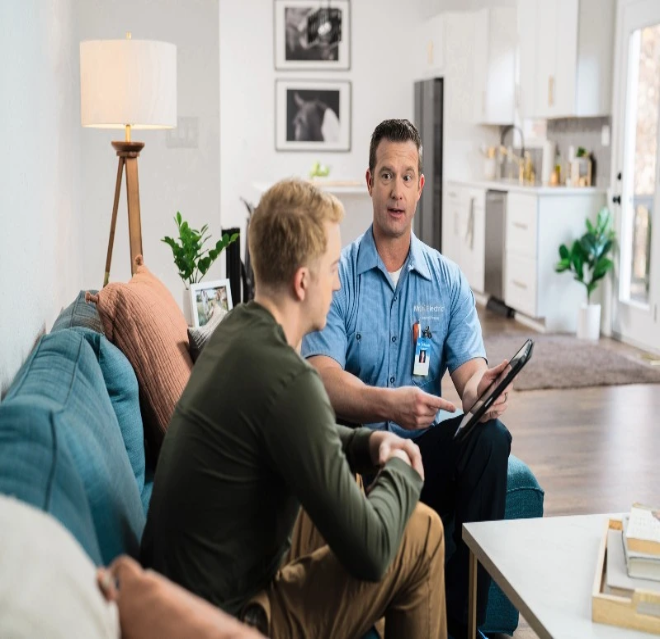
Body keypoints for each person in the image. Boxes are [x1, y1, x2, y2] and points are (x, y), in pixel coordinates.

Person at [141, 178, 447, 639]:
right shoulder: (291, 380)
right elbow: (371, 552)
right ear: (302, 282)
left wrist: (370, 441)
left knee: (359, 499)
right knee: (420, 532)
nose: (339, 281)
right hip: (224, 621)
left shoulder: (236, 330)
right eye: (333, 268)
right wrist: (405, 468)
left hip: (187, 594)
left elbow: (290, 427)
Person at [301, 119, 513, 639]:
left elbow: (467, 378)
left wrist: (482, 390)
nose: (397, 191)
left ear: (421, 185)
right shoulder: (340, 274)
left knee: (491, 437)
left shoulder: (448, 280)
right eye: (387, 175)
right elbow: (320, 377)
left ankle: (464, 628)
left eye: (408, 176)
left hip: (424, 461)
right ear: (369, 181)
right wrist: (388, 406)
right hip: (361, 463)